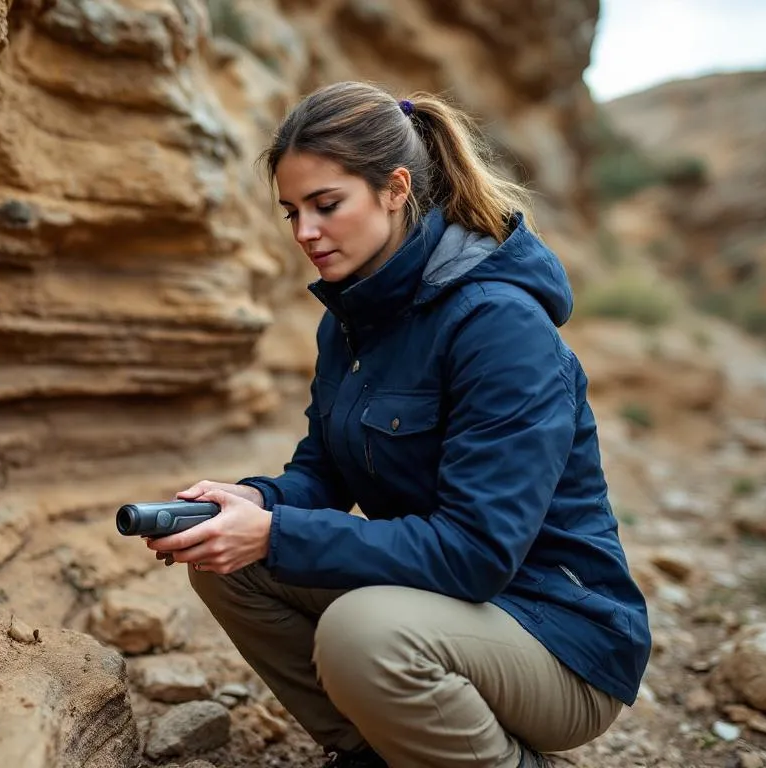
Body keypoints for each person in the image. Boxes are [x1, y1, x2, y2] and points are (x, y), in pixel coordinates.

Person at [144, 81, 652, 768]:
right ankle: (378, 753)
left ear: (394, 189)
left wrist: (278, 532)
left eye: (327, 205)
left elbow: (475, 553)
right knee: (229, 564)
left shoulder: (498, 324)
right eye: (291, 212)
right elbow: (322, 471)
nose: (305, 233)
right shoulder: (350, 321)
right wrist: (255, 503)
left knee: (363, 631)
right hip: (438, 605)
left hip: (562, 640)